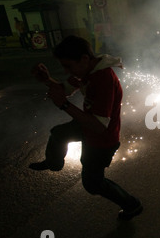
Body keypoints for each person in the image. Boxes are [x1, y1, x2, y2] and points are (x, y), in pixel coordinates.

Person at [29, 35, 142, 221]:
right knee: (58, 133)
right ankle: (54, 163)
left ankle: (132, 205)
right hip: (87, 126)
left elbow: (99, 126)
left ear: (84, 59)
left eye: (68, 66)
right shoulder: (87, 70)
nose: (66, 71)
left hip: (102, 139)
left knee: (92, 185)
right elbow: (64, 88)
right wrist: (47, 80)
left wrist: (64, 105)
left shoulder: (103, 79)